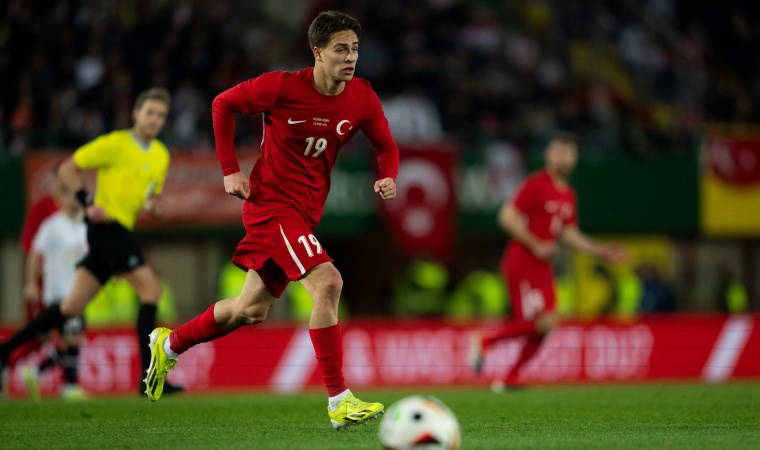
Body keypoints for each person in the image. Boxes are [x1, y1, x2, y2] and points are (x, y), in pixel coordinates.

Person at [143, 11, 399, 430]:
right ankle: (339, 399)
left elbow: (386, 145)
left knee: (250, 311)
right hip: (271, 207)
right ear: (317, 52)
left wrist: (388, 175)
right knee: (328, 282)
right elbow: (223, 104)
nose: (351, 57)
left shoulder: (362, 96)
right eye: (340, 49)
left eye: (354, 49)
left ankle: (168, 345)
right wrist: (230, 169)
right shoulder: (282, 87)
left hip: (304, 213)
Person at [0, 87, 178, 395]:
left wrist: (152, 205)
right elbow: (68, 167)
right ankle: (148, 378)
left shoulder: (161, 155)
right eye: (150, 112)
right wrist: (87, 202)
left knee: (70, 306)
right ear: (136, 113)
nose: (154, 120)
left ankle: (4, 351)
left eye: (160, 115)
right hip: (106, 228)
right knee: (151, 290)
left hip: (119, 230)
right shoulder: (115, 143)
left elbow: (152, 195)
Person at [469, 133, 624, 390]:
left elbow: (569, 233)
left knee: (547, 324)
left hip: (542, 266)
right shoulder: (536, 184)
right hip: (523, 260)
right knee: (542, 322)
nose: (564, 158)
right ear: (548, 155)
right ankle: (486, 341)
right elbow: (506, 216)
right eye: (559, 152)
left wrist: (601, 251)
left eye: (569, 153)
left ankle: (509, 378)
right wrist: (535, 244)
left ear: (575, 158)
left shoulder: (568, 195)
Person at [22, 170, 88, 400]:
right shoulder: (52, 225)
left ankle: (37, 372)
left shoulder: (84, 225)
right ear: (61, 198)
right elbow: (34, 254)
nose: (75, 201)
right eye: (70, 196)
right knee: (73, 337)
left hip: (80, 291)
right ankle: (69, 386)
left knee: (70, 340)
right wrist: (31, 283)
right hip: (59, 291)